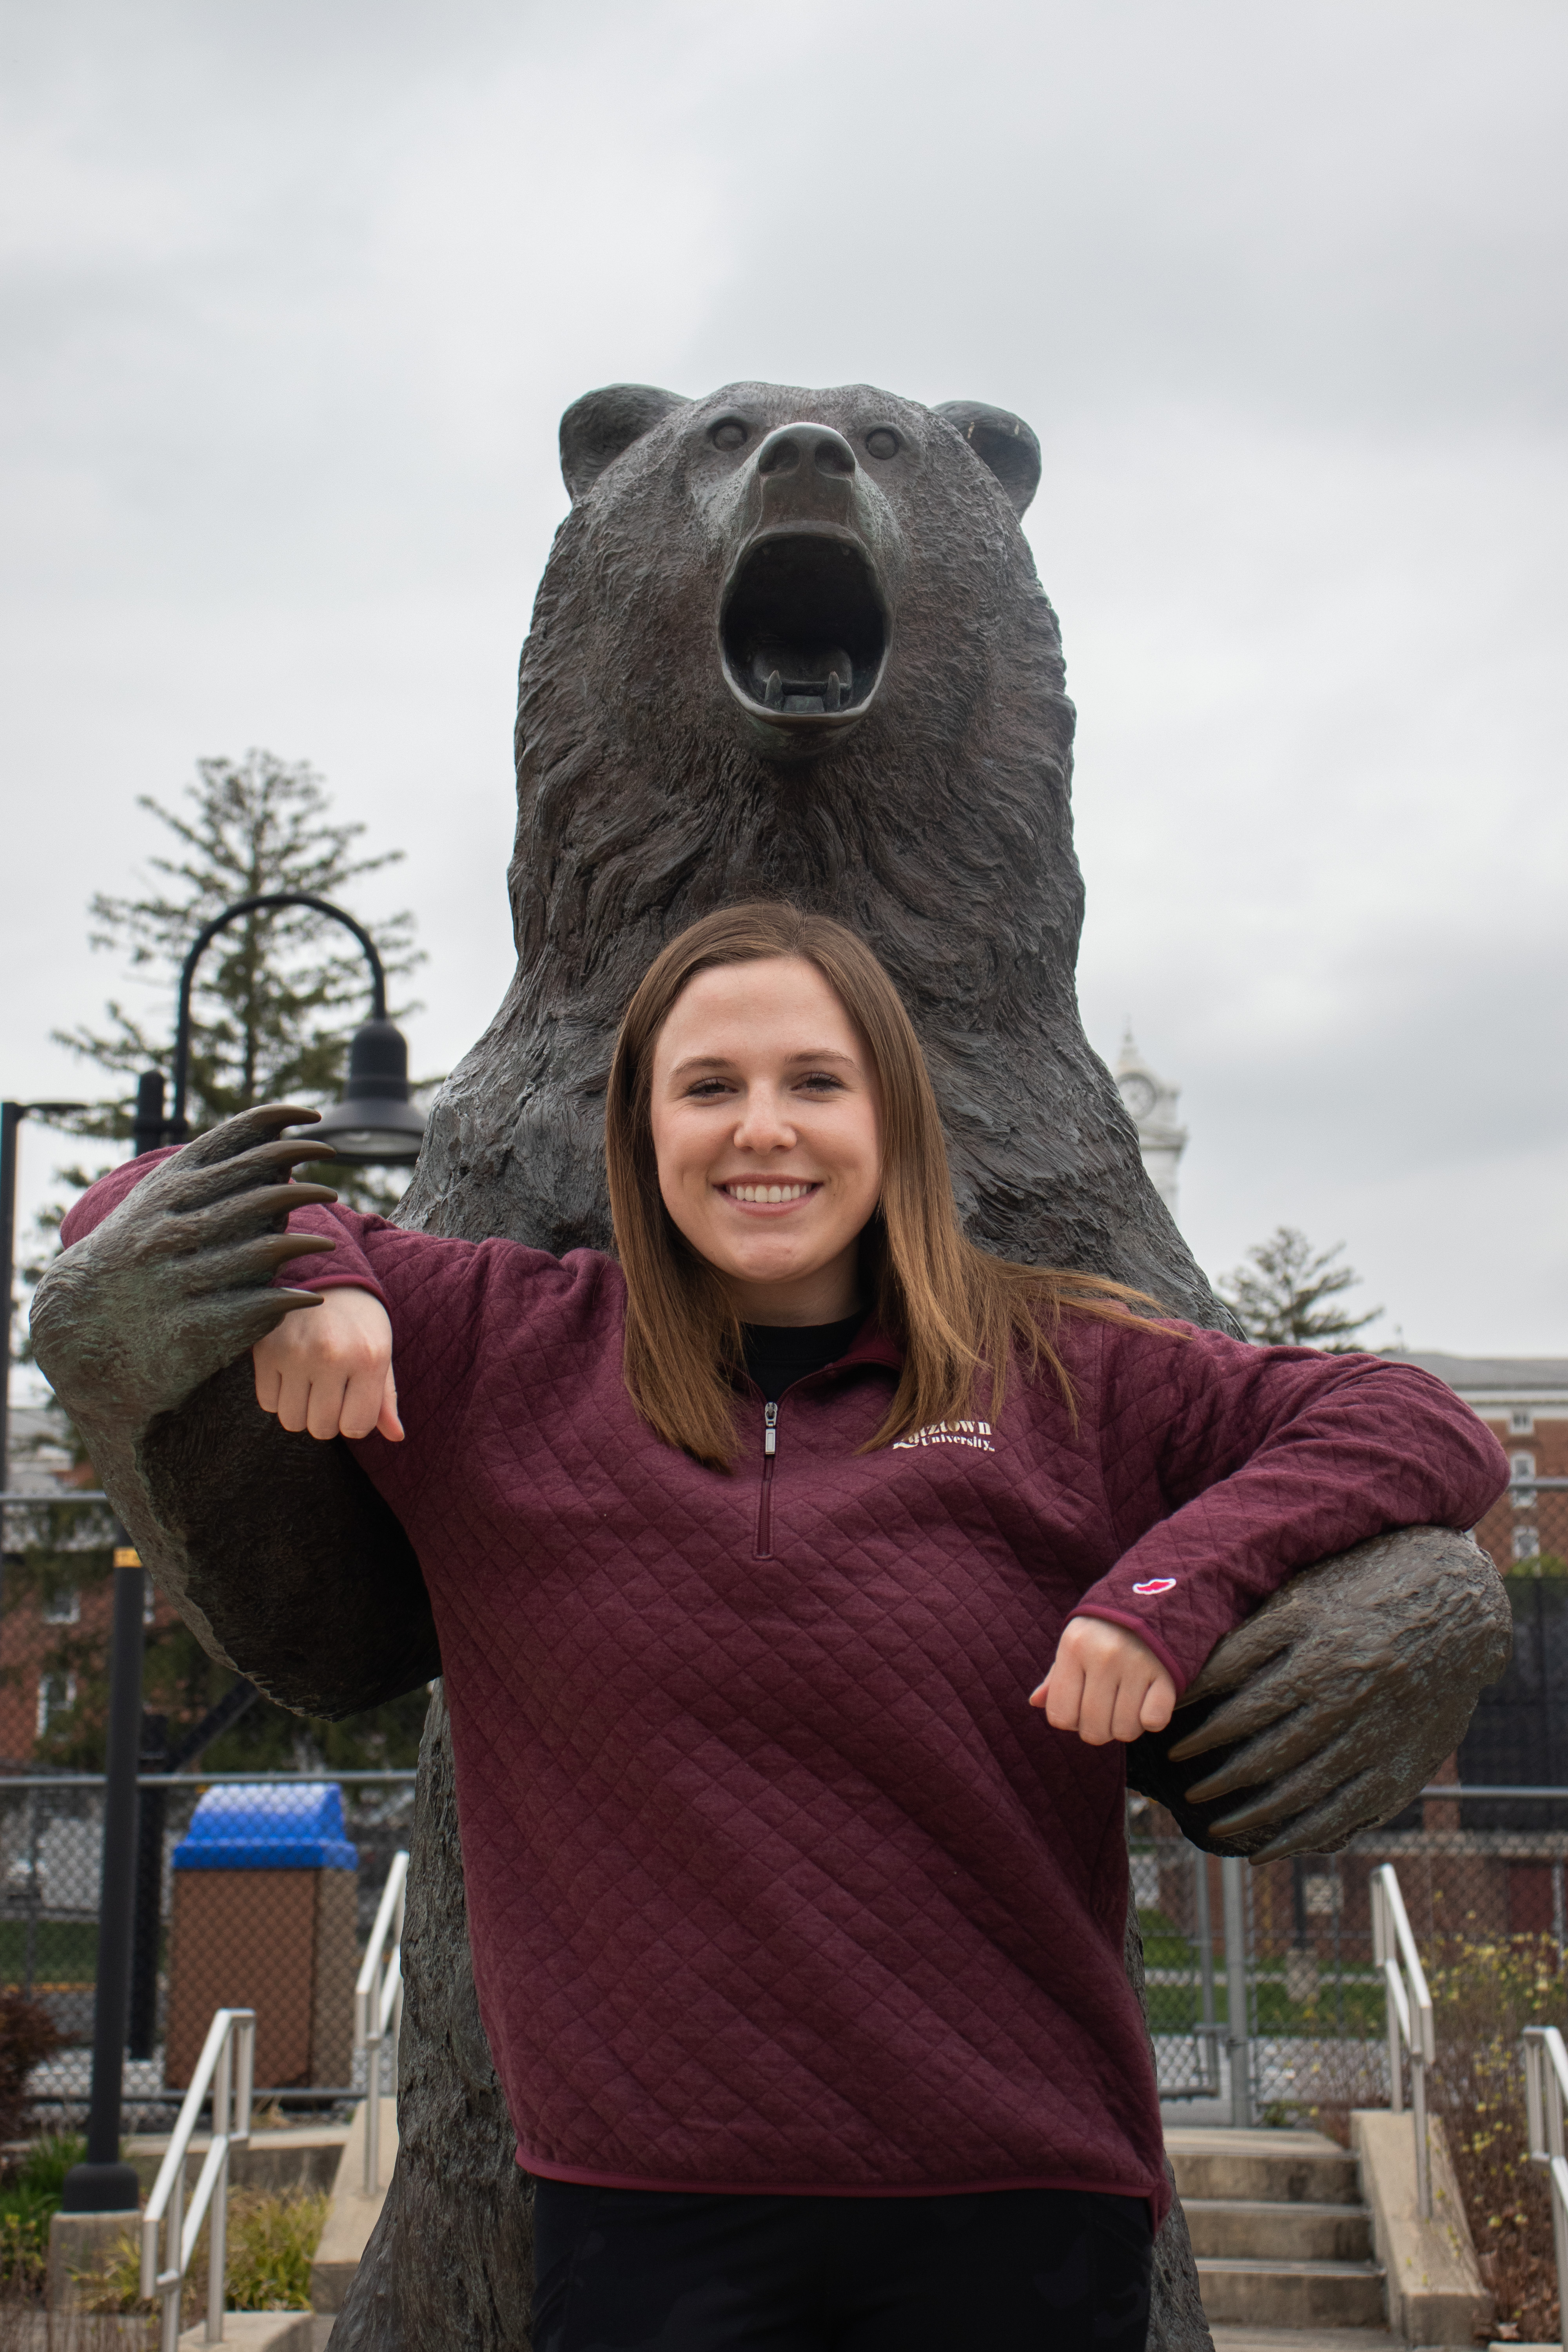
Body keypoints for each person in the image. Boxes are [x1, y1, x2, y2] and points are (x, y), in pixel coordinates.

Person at [63, 902, 1505, 2352]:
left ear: (893, 1119)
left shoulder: (1063, 1371)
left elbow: (1414, 1425)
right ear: (642, 1130)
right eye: (711, 1087)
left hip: (1022, 2208)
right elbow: (121, 1202)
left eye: (817, 1082)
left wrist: (1164, 1596)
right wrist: (313, 1271)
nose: (765, 1130)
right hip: (642, 2220)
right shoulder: (502, 1346)